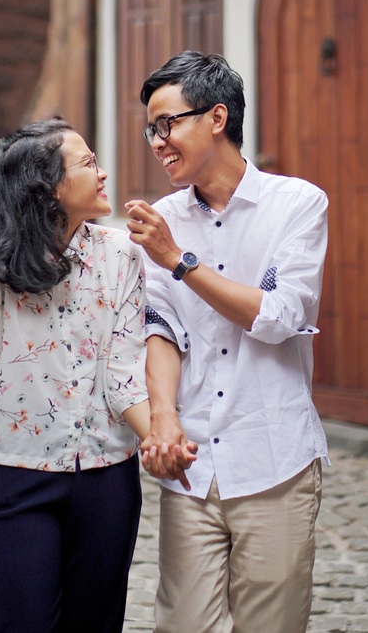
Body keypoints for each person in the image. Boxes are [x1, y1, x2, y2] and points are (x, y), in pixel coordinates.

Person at [125, 51, 329, 633]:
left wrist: (179, 260)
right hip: (192, 464)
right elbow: (160, 327)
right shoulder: (163, 217)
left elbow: (279, 315)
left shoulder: (298, 204)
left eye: (168, 124)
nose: (157, 141)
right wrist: (162, 418)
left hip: (274, 458)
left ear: (217, 118)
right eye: (151, 130)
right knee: (181, 626)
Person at [0, 118, 155, 633]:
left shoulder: (120, 255)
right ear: (47, 186)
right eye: (88, 164)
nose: (102, 174)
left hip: (107, 479)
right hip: (12, 473)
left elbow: (123, 371)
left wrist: (158, 438)